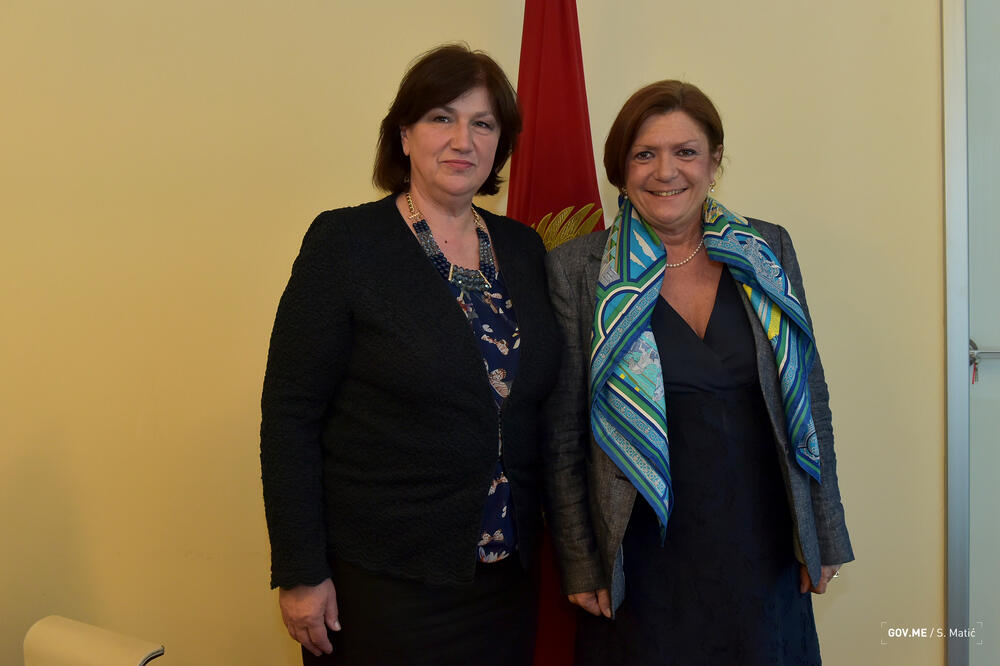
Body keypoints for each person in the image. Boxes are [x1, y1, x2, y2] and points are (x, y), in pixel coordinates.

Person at [260, 44, 560, 665]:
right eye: (441, 118)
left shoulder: (524, 248)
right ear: (404, 134)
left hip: (506, 581)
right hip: (383, 583)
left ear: (500, 145)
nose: (462, 140)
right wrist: (300, 571)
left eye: (482, 124)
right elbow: (290, 415)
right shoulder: (346, 243)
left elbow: (541, 406)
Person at [543, 80, 854, 664]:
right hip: (642, 555)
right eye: (645, 154)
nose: (666, 171)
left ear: (714, 162)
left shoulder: (767, 248)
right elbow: (562, 435)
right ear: (621, 170)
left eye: (685, 152)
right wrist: (582, 562)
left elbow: (809, 397)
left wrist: (824, 532)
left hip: (763, 544)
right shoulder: (577, 270)